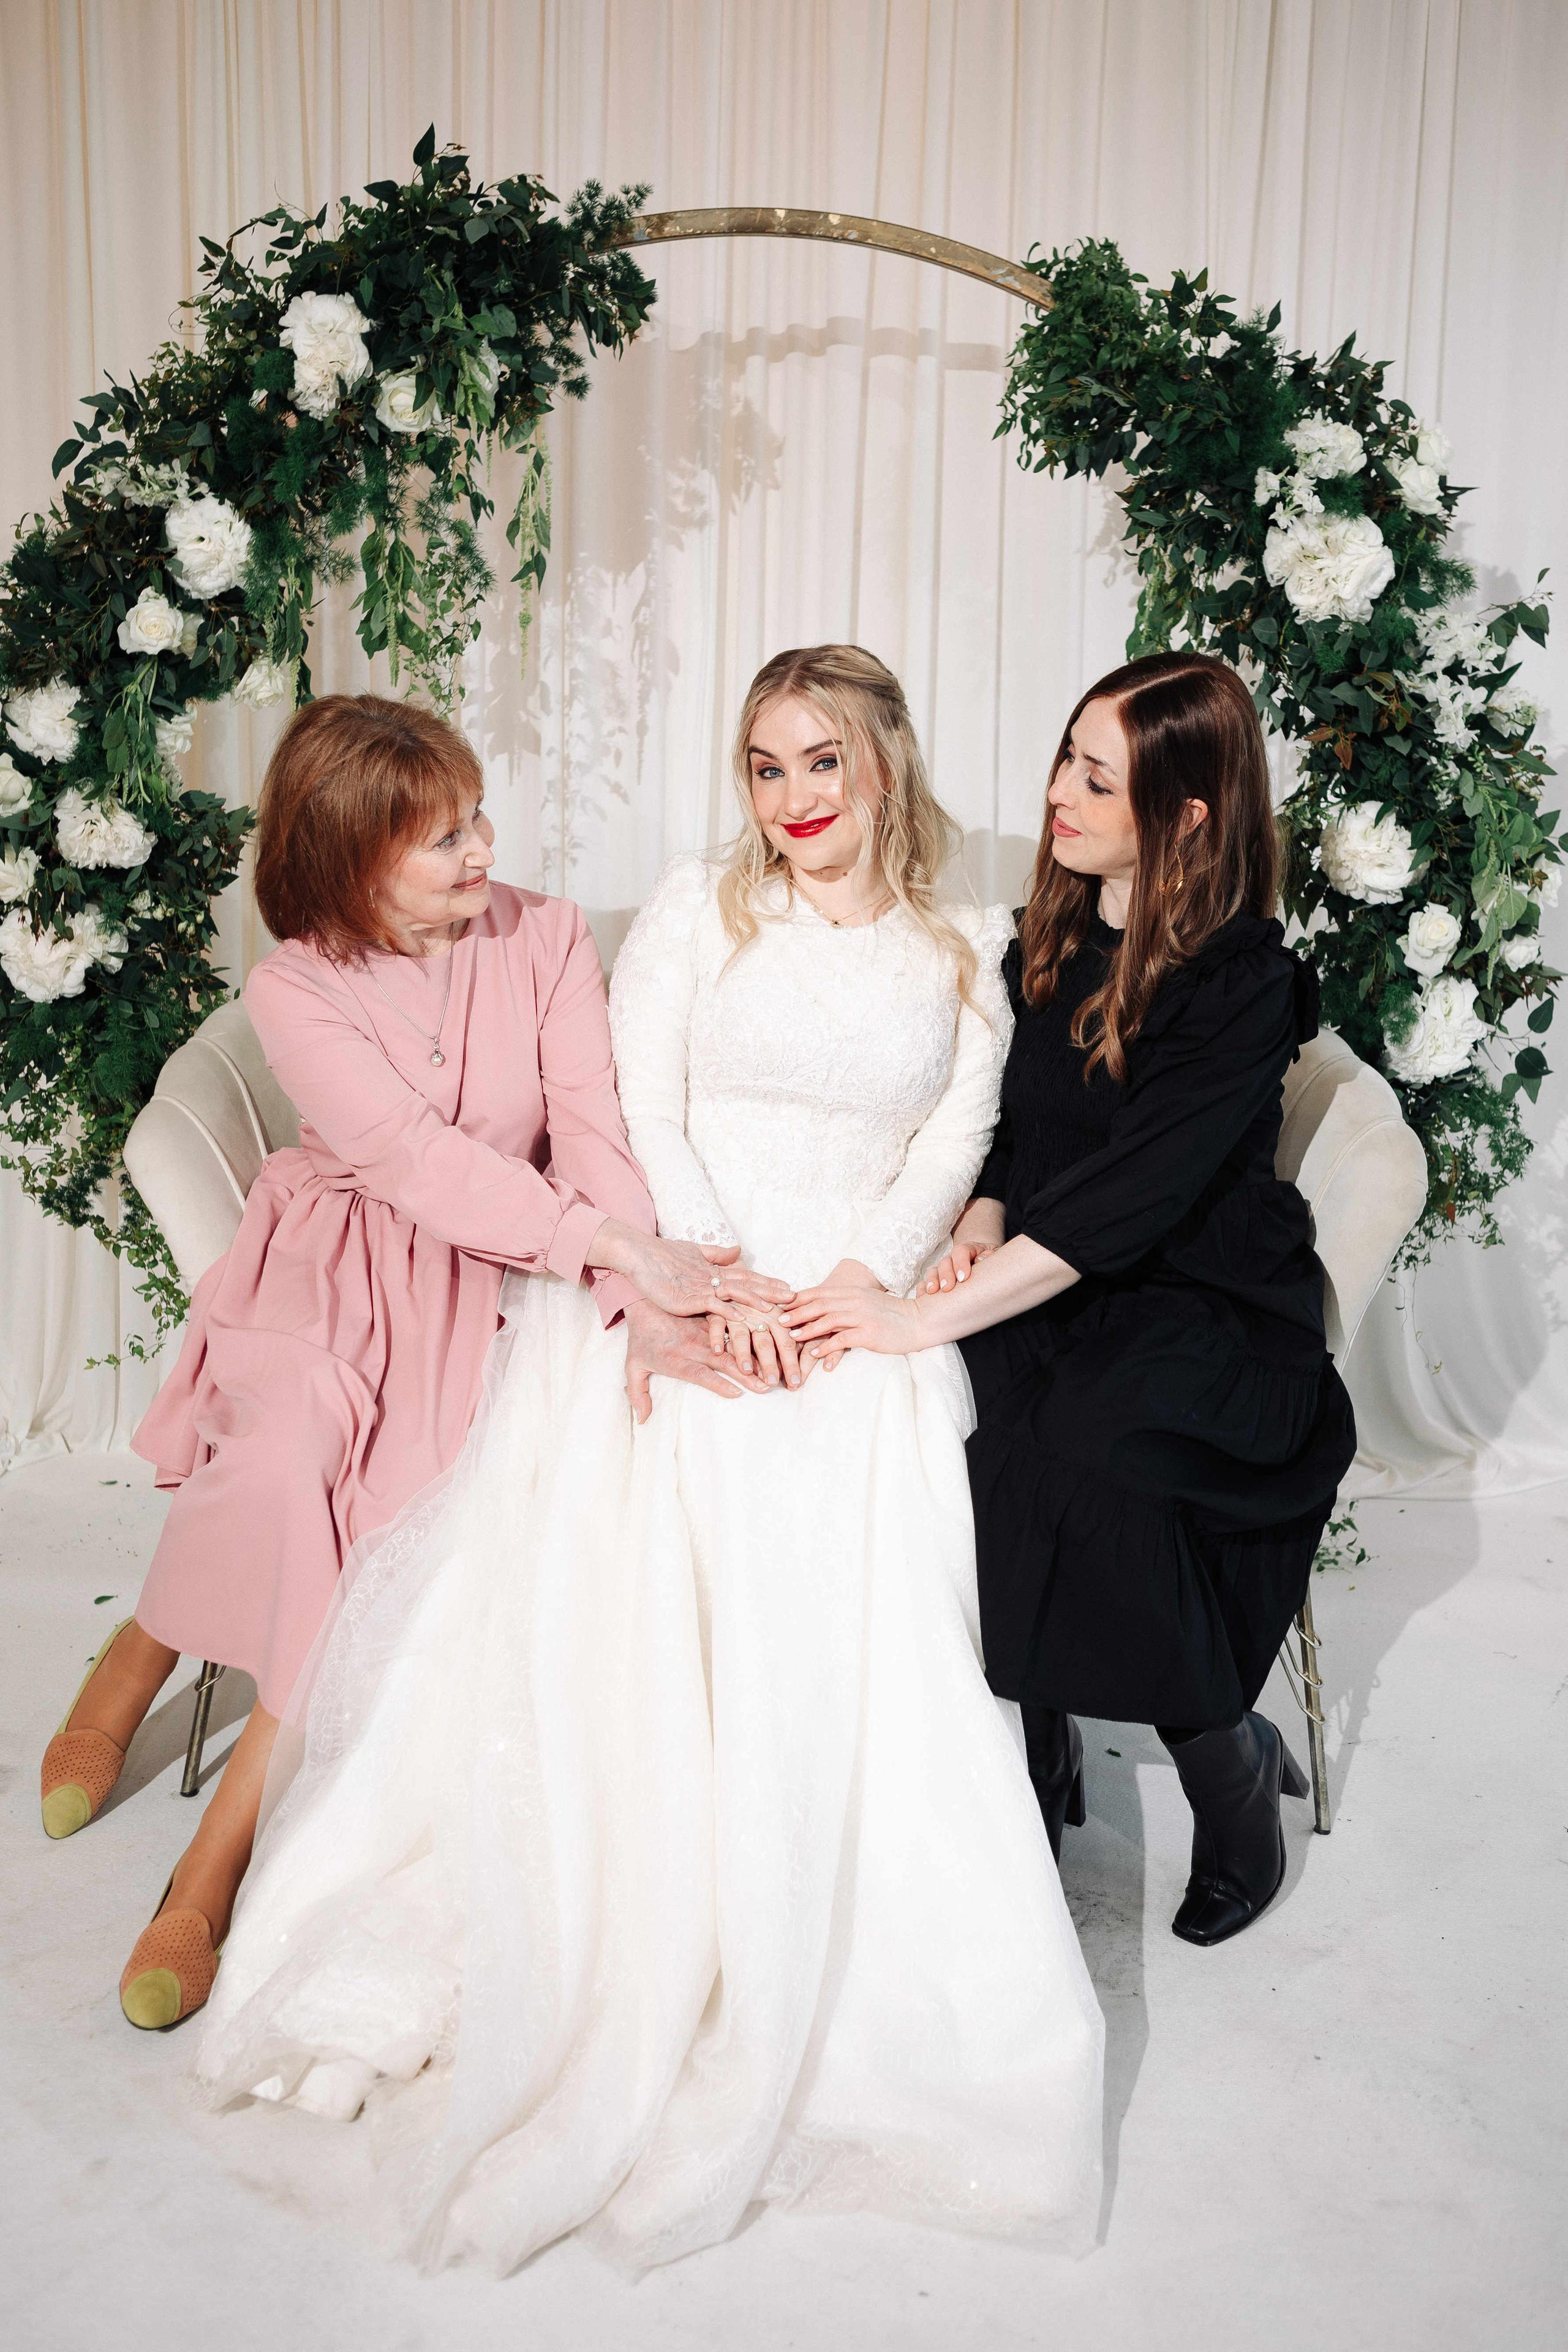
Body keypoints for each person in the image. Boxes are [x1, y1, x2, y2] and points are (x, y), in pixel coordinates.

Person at [192, 646, 1103, 2275]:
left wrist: (860, 1286)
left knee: (853, 1475)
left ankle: (821, 1919)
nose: (792, 796)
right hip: (686, 1265)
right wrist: (696, 1279)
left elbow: (957, 1137)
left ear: (884, 763)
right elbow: (636, 1110)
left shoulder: (968, 944)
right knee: (662, 1476)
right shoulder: (696, 907)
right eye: (763, 764)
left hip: (852, 1298)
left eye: (821, 760)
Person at [39, 694, 785, 2029]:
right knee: (283, 1454)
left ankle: (212, 1864)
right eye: (442, 839)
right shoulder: (293, 986)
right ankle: (140, 1652)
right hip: (337, 1250)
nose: (482, 849)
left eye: (476, 817)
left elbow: (589, 1128)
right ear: (349, 858)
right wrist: (609, 1242)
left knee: (388, 1521)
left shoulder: (546, 933)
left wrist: (631, 1288)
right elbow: (409, 1160)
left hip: (494, 1264)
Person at [787, 651, 1357, 1948]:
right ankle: (1035, 1766)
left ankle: (1225, 1765)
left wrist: (920, 1314)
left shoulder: (1240, 979)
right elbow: (1008, 1123)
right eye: (1065, 759)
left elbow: (1134, 1198)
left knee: (1076, 1455)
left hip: (1202, 1297)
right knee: (952, 1427)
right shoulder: (1041, 936)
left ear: (1185, 814)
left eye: (1097, 780)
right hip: (1052, 1276)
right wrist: (979, 1218)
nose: (1058, 793)